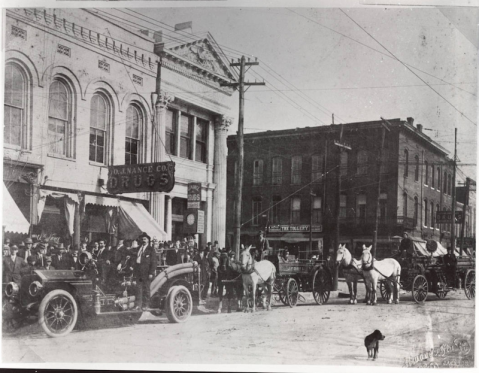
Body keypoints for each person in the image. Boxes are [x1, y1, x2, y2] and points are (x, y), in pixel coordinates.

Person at [134, 232, 157, 310]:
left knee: (146, 289)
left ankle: (146, 305)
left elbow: (154, 262)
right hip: (138, 272)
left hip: (147, 273)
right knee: (138, 288)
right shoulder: (138, 248)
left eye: (145, 239)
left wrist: (151, 273)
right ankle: (138, 305)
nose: (143, 240)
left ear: (148, 240)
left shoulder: (151, 249)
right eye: (142, 239)